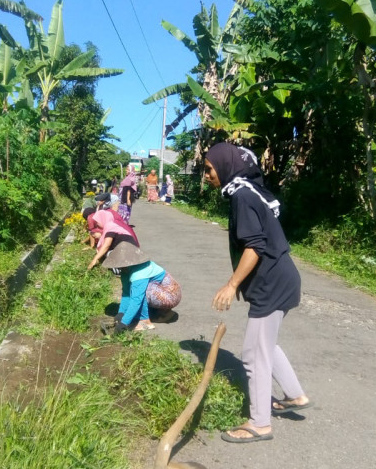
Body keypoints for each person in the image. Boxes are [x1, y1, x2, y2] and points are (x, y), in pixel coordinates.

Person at [204, 142, 311, 444]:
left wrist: (232, 284)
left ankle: (260, 423)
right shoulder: (248, 190)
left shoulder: (241, 196)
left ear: (225, 166)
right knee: (266, 344)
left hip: (273, 283)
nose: (207, 174)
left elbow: (255, 246)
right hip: (280, 278)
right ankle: (295, 396)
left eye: (209, 168)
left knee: (253, 354)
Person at [88, 235, 181, 333]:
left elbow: (136, 299)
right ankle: (161, 312)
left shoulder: (139, 272)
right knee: (136, 290)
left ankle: (146, 322)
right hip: (159, 291)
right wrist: (121, 313)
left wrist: (124, 323)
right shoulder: (126, 270)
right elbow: (126, 293)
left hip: (171, 294)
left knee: (139, 292)